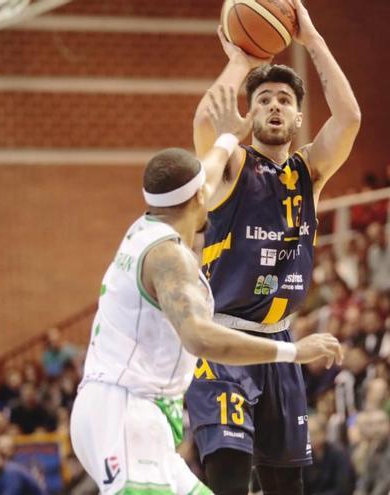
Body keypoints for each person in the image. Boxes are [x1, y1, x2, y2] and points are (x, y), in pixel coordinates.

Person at [69, 86, 342, 495]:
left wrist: (231, 126)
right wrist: (293, 352)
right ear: (200, 196)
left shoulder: (147, 225)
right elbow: (198, 337)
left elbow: (210, 163)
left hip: (139, 415)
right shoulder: (170, 258)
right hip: (123, 414)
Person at [187, 0, 361, 493]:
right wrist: (241, 60)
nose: (274, 106)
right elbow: (206, 126)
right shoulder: (233, 167)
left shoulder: (310, 172)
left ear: (299, 116)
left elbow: (349, 117)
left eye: (284, 99)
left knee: (288, 488)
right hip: (224, 344)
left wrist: (313, 40)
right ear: (250, 112)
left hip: (282, 342)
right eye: (263, 100)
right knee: (229, 483)